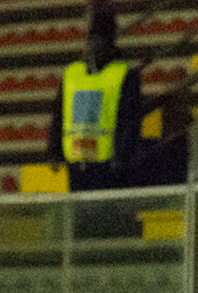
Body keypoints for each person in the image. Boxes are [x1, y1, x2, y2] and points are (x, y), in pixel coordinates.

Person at [46, 4, 144, 193]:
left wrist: (54, 152)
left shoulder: (74, 74)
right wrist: (124, 157)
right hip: (97, 166)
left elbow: (58, 116)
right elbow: (130, 121)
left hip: (91, 166)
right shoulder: (123, 73)